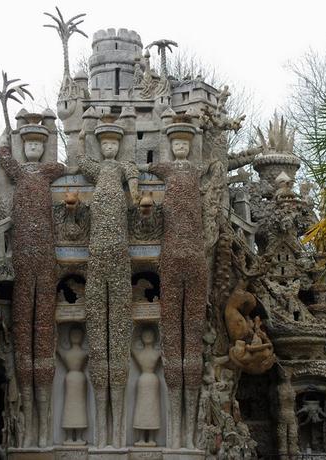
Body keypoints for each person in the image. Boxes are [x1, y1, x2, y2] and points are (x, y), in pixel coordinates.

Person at [140, 121, 208, 448]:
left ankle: (188, 434)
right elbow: (150, 163)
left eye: (185, 144)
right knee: (173, 330)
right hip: (170, 254)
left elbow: (217, 165)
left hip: (193, 255)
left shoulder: (196, 171)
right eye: (176, 144)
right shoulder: (166, 169)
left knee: (191, 330)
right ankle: (176, 432)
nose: (181, 148)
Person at [0, 124, 65, 447]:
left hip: (46, 261)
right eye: (30, 145)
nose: (34, 150)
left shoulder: (45, 174)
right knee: (24, 331)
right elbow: (4, 158)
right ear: (23, 147)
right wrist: (6, 134)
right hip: (23, 259)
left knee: (43, 332)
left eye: (39, 144)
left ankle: (44, 425)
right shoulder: (21, 174)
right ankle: (26, 427)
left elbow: (61, 166)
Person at [77, 120, 139, 448]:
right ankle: (102, 430)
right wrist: (81, 131)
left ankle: (116, 434)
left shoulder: (125, 167)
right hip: (96, 254)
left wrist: (138, 190)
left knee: (118, 335)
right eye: (106, 144)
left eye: (115, 143)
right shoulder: (96, 169)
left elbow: (135, 177)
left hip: (120, 255)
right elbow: (79, 161)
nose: (110, 148)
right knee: (98, 338)